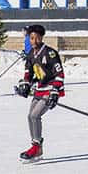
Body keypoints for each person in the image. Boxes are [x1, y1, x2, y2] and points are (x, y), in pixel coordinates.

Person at [19, 24, 65, 162]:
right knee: (30, 116)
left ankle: (36, 146)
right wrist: (26, 85)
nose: (34, 41)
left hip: (50, 89)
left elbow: (60, 73)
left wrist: (55, 91)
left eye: (36, 38)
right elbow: (29, 73)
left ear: (41, 38)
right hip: (40, 89)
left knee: (35, 115)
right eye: (31, 38)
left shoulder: (50, 53)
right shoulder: (31, 54)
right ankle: (37, 148)